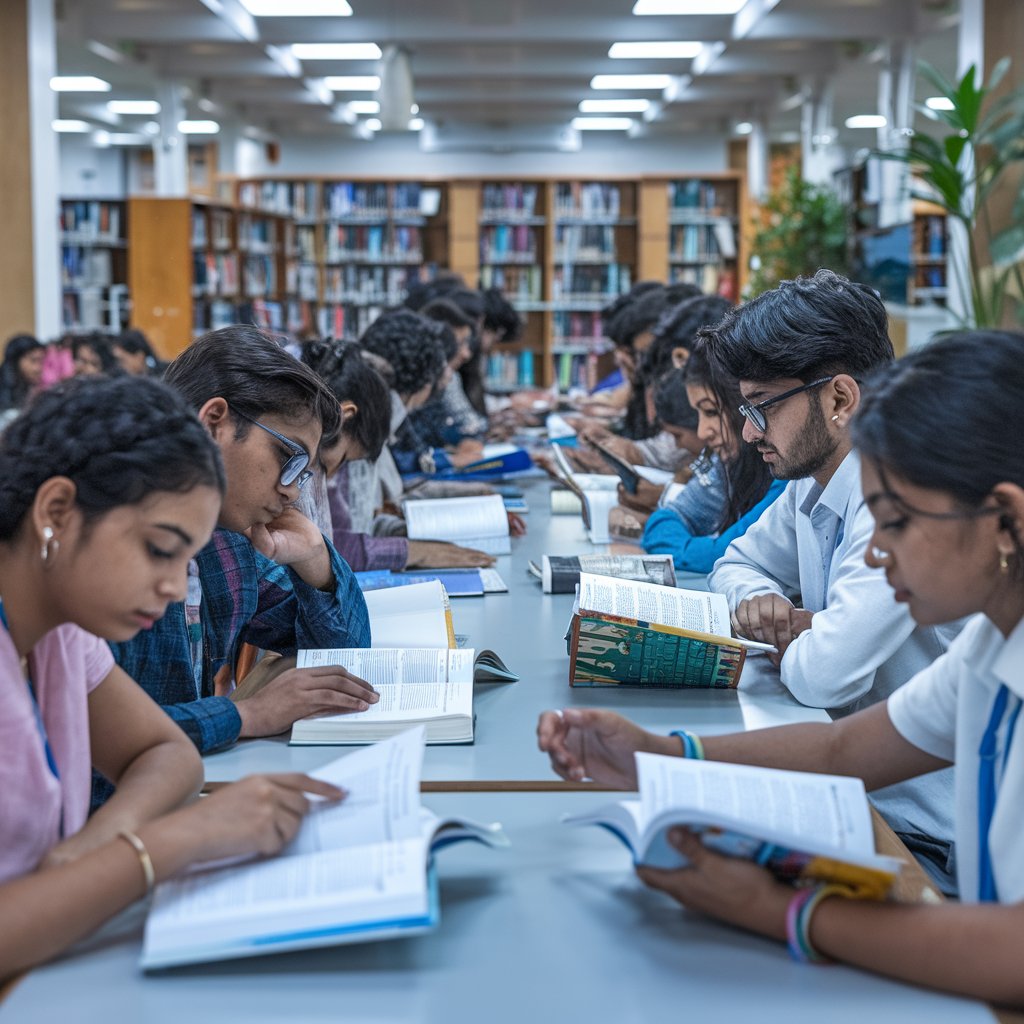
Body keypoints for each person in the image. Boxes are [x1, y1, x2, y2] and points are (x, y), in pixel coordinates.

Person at [537, 330, 1024, 1006]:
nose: (875, 554)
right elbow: (842, 748)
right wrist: (658, 754)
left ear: (1004, 520)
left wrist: (780, 913)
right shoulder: (993, 644)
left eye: (896, 523)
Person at [0, 375, 342, 977]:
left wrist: (90, 853)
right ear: (56, 512)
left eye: (185, 558)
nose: (172, 585)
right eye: (159, 549)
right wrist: (166, 844)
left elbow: (165, 753)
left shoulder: (62, 632)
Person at [703, 269, 959, 889]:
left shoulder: (894, 497)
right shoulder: (811, 484)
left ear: (840, 399)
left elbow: (825, 675)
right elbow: (731, 565)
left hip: (923, 835)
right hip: (861, 792)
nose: (747, 432)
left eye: (760, 407)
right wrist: (765, 605)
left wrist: (802, 635)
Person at [105, 326, 377, 771]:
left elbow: (342, 655)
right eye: (287, 459)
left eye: (303, 473)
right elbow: (94, 736)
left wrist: (316, 560)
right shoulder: (102, 544)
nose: (290, 492)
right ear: (215, 423)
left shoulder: (227, 541)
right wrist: (244, 714)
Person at [639, 341, 786, 573]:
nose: (702, 432)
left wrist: (694, 550)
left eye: (711, 412)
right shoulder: (727, 464)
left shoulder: (789, 473)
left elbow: (725, 553)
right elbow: (668, 517)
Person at [0, 333, 45, 420]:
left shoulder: (31, 388)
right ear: (16, 360)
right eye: (33, 360)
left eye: (41, 361)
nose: (38, 368)